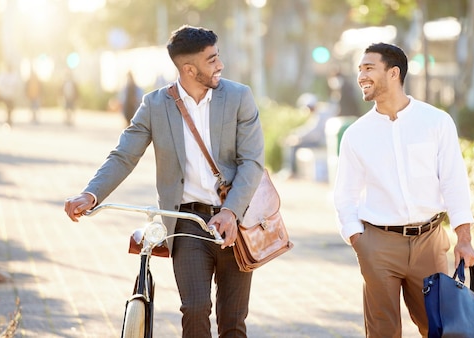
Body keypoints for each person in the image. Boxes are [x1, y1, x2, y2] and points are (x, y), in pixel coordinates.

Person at [63, 25, 264, 337]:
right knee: (194, 310)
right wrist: (91, 194)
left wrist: (231, 212)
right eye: (211, 60)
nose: (220, 65)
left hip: (235, 221)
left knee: (233, 322)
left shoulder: (239, 97)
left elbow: (251, 163)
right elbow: (124, 156)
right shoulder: (155, 105)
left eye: (218, 56)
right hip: (185, 222)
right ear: (188, 69)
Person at [333, 42, 474, 337]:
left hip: (429, 241)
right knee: (382, 331)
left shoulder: (436, 121)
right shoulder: (356, 135)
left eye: (369, 68)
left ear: (394, 72)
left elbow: (454, 181)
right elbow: (344, 194)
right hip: (378, 243)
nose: (361, 76)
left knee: (438, 328)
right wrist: (358, 241)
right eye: (360, 69)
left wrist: (464, 238)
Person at [280, 93, 334, 178]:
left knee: (293, 145)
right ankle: (289, 170)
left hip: (320, 142)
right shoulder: (318, 113)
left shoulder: (321, 114)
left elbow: (314, 134)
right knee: (292, 142)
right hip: (318, 140)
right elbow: (308, 128)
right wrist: (294, 134)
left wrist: (298, 137)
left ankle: (290, 171)